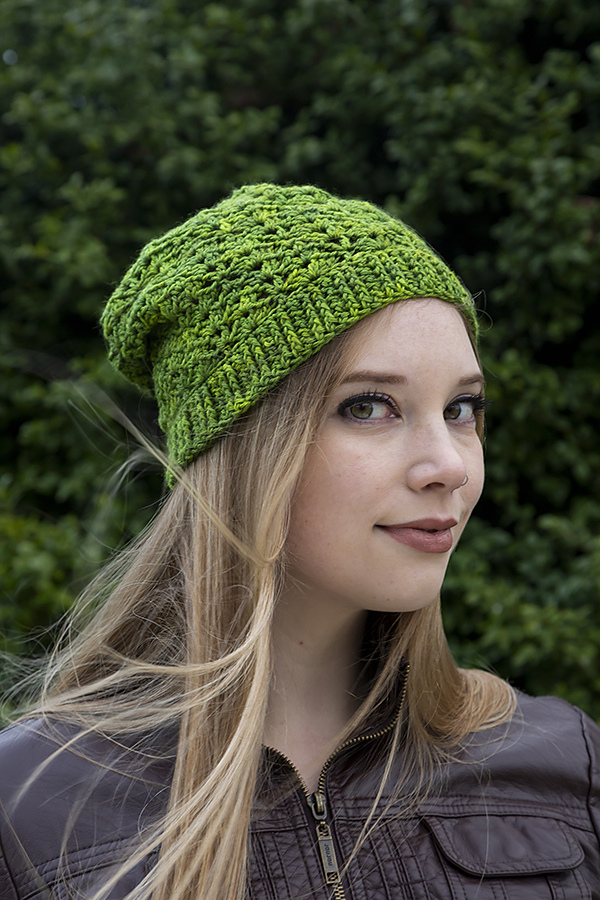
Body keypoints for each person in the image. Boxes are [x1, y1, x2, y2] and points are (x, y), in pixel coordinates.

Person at [0, 183, 598, 900]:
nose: (449, 465)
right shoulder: (28, 812)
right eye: (369, 406)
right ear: (245, 448)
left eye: (462, 408)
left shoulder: (569, 767)